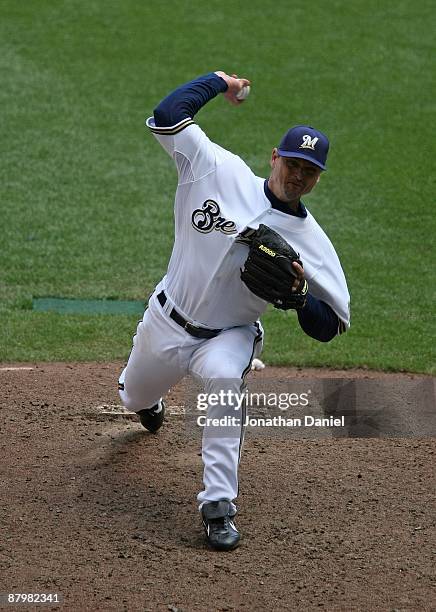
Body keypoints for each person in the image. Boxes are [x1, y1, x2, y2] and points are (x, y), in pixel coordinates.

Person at [118, 71, 350, 551]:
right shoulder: (216, 170)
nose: (298, 175)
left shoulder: (315, 246)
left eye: (310, 170)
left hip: (229, 334)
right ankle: (149, 403)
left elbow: (331, 328)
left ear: (319, 178)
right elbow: (167, 117)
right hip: (166, 319)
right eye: (293, 162)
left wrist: (302, 300)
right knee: (133, 397)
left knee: (225, 381)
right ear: (275, 157)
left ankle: (217, 507)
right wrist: (217, 82)